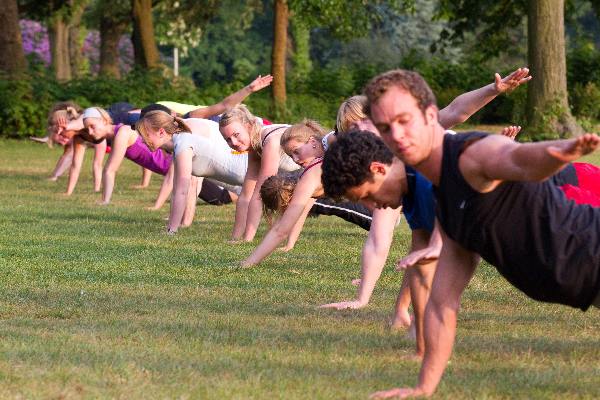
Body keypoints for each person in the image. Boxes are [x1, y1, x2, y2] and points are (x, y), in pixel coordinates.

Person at [350, 68, 599, 398]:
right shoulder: (447, 202)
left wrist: (561, 150)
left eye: (404, 120)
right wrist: (424, 387)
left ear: (429, 116)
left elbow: (520, 159)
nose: (395, 134)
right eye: (385, 128)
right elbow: (442, 305)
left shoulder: (471, 156)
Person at [240, 120, 374, 267]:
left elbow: (281, 230)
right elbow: (298, 212)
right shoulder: (316, 166)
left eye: (296, 151)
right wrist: (290, 243)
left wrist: (249, 261)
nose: (296, 160)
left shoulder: (330, 143)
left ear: (312, 142)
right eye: (291, 156)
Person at [136, 110, 249, 234]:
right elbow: (176, 191)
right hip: (244, 181)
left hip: (249, 173)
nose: (142, 140)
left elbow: (182, 191)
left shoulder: (183, 144)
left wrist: (171, 230)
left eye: (145, 135)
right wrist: (171, 226)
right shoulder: (179, 143)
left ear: (161, 132)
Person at [219, 104, 299, 242]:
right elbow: (245, 196)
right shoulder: (255, 144)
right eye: (228, 139)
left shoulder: (270, 141)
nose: (233, 142)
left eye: (236, 135)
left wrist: (247, 240)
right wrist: (235, 238)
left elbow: (259, 193)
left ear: (249, 126)